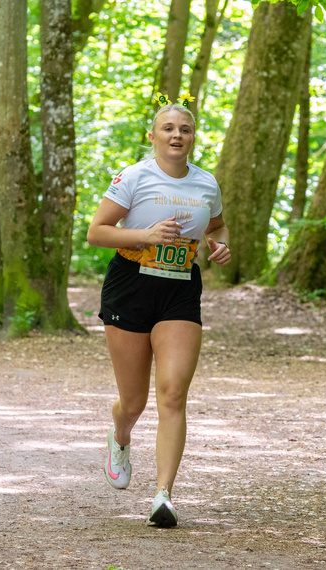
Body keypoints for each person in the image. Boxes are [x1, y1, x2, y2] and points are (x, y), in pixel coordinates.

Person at [86, 99, 230, 528]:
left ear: (192, 137)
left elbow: (216, 226)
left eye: (184, 129)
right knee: (134, 401)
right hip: (130, 284)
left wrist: (219, 244)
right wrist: (145, 233)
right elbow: (97, 233)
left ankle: (163, 495)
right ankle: (121, 433)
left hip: (180, 289)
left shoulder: (206, 183)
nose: (176, 135)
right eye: (168, 128)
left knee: (173, 394)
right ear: (153, 136)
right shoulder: (134, 176)